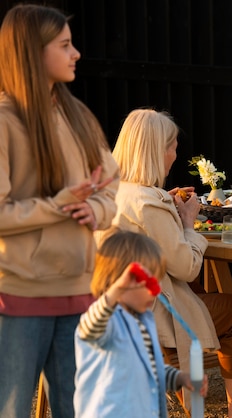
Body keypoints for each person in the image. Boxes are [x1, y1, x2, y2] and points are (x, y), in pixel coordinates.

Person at [97, 108, 232, 418]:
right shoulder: (149, 204)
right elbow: (187, 267)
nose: (175, 153)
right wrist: (187, 224)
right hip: (153, 324)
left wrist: (166, 204)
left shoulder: (111, 194)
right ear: (156, 150)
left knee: (196, 294)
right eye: (172, 146)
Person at [0, 5, 118, 418]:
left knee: (79, 409)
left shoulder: (78, 115)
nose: (76, 54)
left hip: (79, 292)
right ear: (33, 52)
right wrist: (60, 205)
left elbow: (110, 184)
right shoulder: (4, 122)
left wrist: (96, 209)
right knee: (13, 409)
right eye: (65, 45)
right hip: (18, 297)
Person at [75, 230, 209, 417]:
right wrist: (116, 291)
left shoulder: (142, 320)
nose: (154, 290)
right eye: (147, 283)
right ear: (119, 282)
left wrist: (179, 378)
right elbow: (89, 330)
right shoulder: (106, 320)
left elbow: (149, 368)